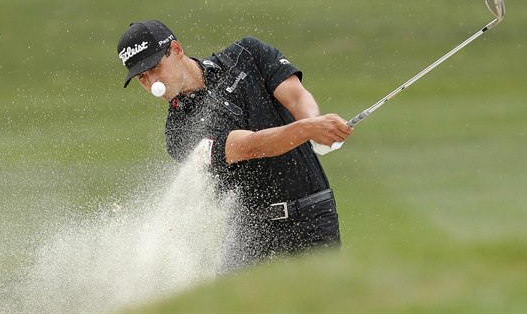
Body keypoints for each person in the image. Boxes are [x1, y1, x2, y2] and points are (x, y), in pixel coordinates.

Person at [116, 20, 352, 271]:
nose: (153, 84)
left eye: (155, 68)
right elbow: (250, 146)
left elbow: (296, 96)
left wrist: (313, 124)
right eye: (143, 78)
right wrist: (307, 130)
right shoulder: (179, 134)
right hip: (250, 232)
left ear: (176, 49)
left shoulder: (246, 54)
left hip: (312, 215)